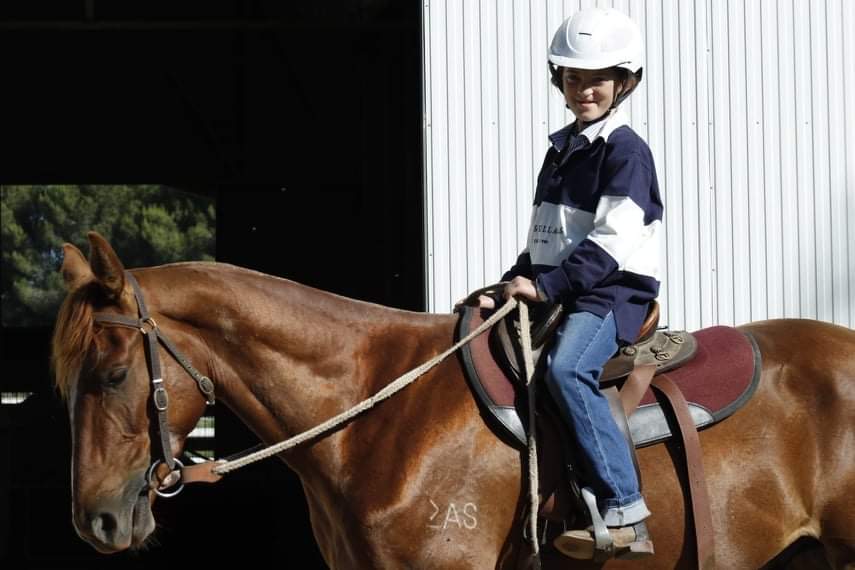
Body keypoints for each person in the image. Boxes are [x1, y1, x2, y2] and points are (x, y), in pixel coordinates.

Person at [476, 7, 663, 561]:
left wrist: (547, 287)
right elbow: (547, 238)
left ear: (625, 83)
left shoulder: (626, 151)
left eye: (598, 79)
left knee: (566, 369)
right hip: (567, 285)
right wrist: (510, 282)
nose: (584, 90)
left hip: (611, 292)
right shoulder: (561, 150)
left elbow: (611, 241)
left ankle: (626, 510)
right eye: (574, 77)